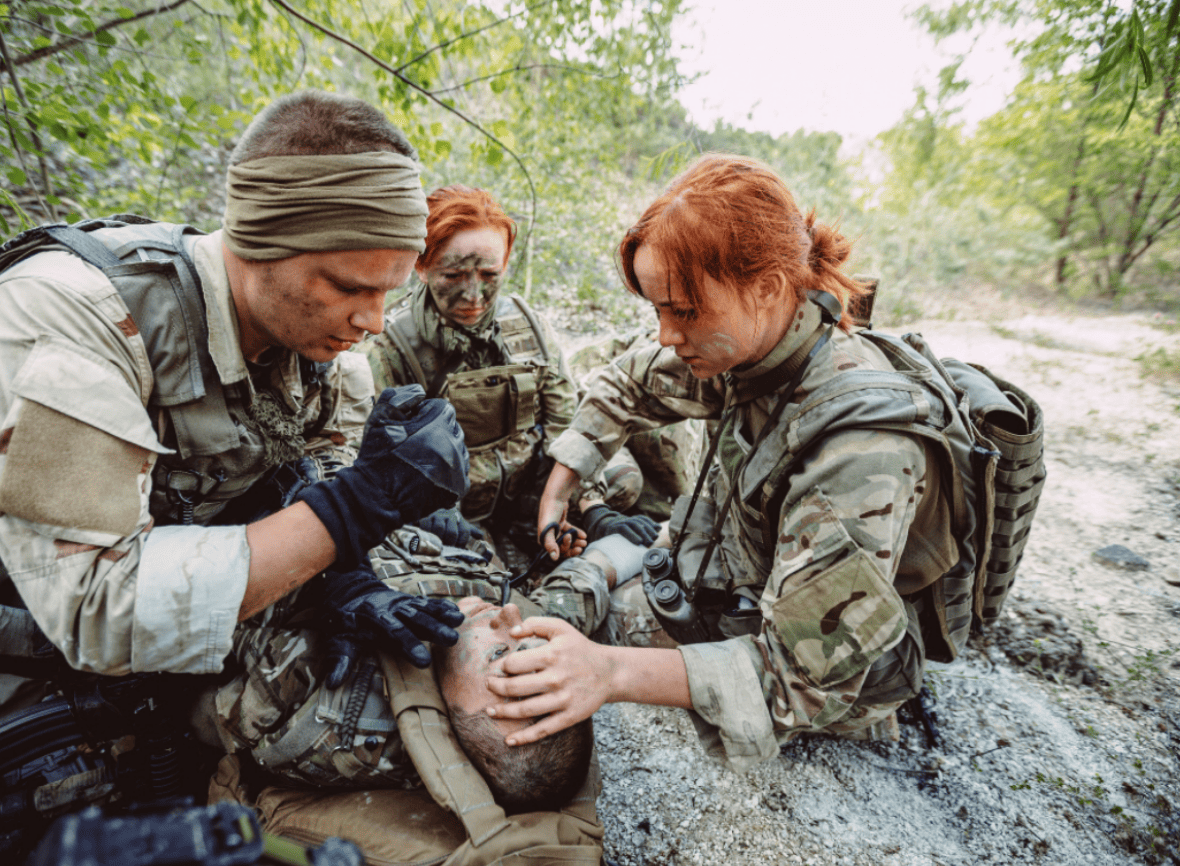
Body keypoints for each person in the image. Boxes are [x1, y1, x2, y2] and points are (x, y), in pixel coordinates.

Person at [0, 91, 470, 861]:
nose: (372, 320)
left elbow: (312, 481)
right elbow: (100, 606)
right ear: (262, 238)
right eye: (347, 286)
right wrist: (353, 511)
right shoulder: (64, 319)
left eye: (389, 292)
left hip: (97, 627)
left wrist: (350, 576)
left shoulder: (324, 356)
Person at [483, 153, 968, 771]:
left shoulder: (859, 449)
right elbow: (628, 383)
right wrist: (563, 484)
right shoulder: (754, 348)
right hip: (732, 582)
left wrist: (606, 672)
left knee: (569, 644)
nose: (664, 334)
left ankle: (869, 725)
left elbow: (795, 678)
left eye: (682, 310)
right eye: (656, 309)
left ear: (766, 286)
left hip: (819, 672)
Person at [198, 524, 646, 814]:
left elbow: (207, 603)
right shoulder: (521, 629)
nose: (510, 616)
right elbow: (584, 583)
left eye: (499, 654)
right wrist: (635, 538)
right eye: (528, 641)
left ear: (456, 720)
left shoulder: (318, 681)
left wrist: (332, 576)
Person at [360, 185, 658, 565]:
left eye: (489, 273)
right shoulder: (391, 347)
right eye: (453, 275)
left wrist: (588, 503)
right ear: (420, 266)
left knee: (624, 482)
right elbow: (373, 459)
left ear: (506, 261)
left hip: (529, 481)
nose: (473, 294)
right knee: (480, 570)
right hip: (454, 505)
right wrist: (421, 508)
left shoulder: (528, 328)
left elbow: (565, 421)